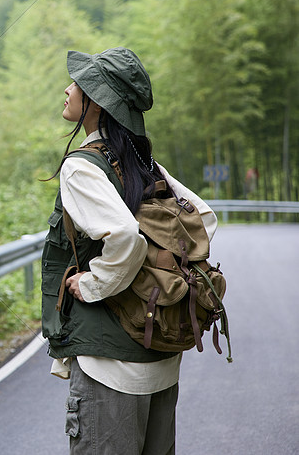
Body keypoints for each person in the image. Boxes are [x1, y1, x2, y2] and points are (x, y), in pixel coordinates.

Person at [40, 47, 217, 455]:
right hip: (160, 359)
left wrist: (95, 283)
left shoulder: (83, 166)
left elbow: (124, 237)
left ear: (97, 101)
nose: (67, 89)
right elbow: (204, 220)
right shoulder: (145, 163)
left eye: (78, 84)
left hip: (109, 367)